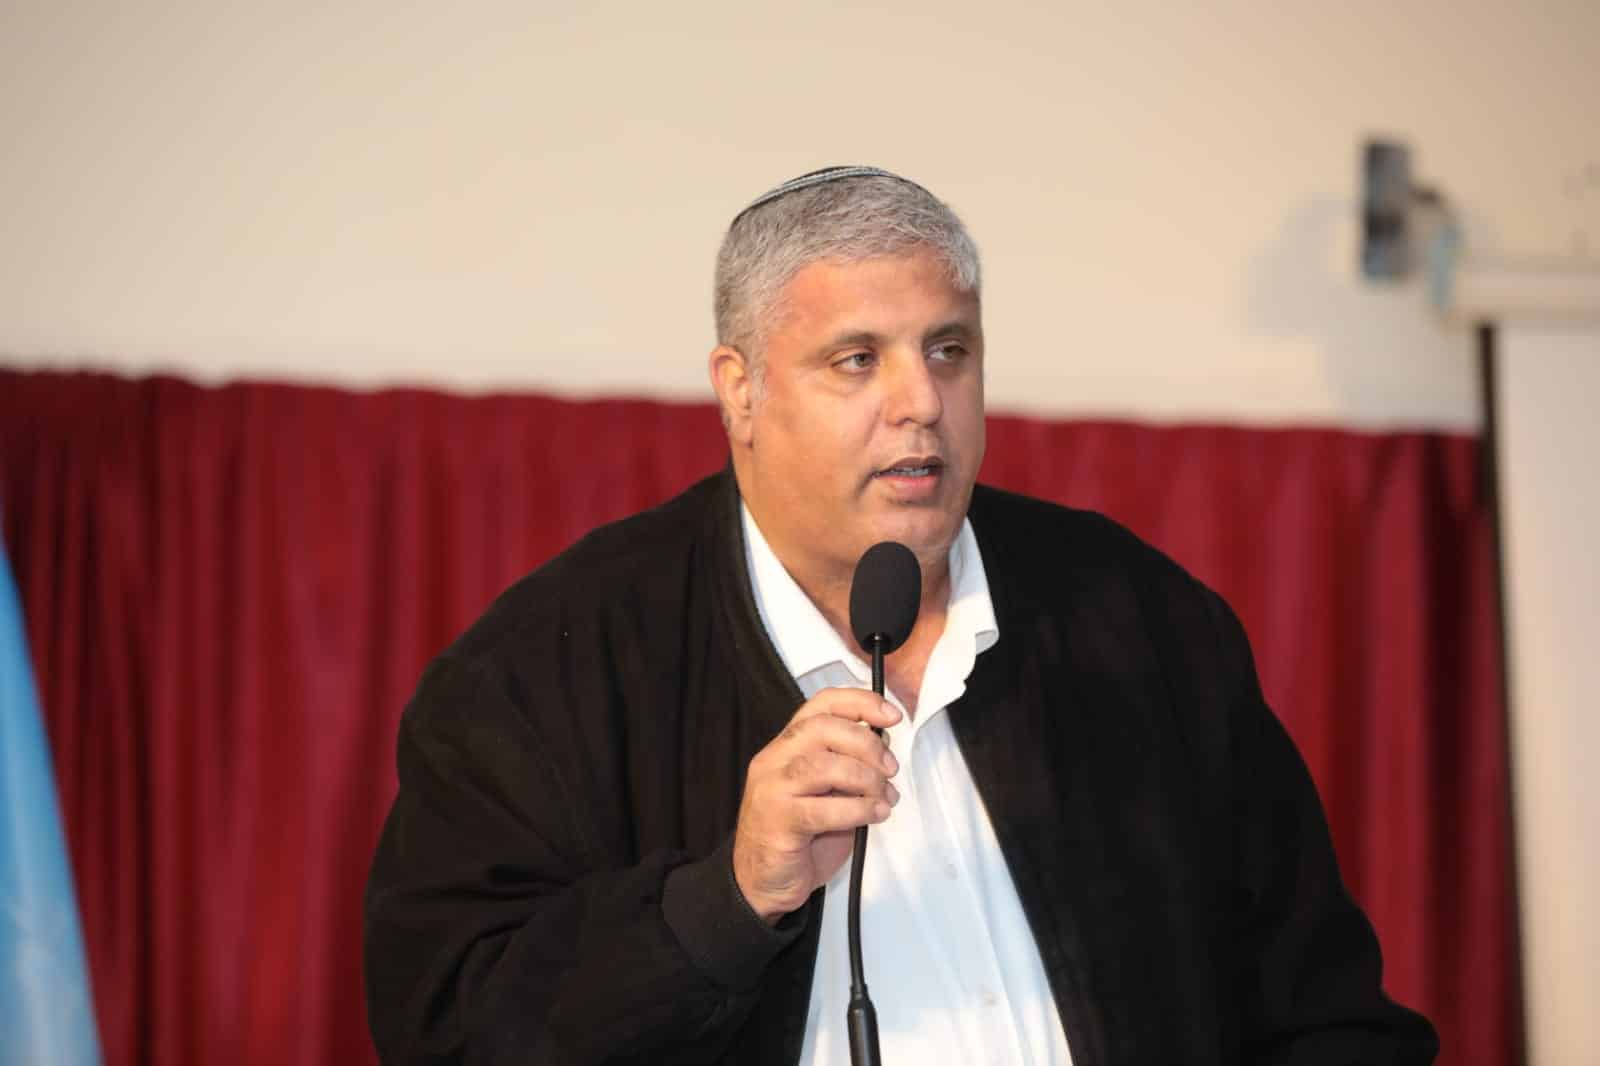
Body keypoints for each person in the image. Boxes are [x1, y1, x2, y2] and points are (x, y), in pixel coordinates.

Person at [364, 167, 1438, 1065]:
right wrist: (727, 898)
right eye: (857, 359)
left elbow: (1320, 1012)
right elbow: (451, 1029)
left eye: (948, 350)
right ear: (740, 391)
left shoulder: (1138, 616)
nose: (921, 401)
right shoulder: (541, 672)